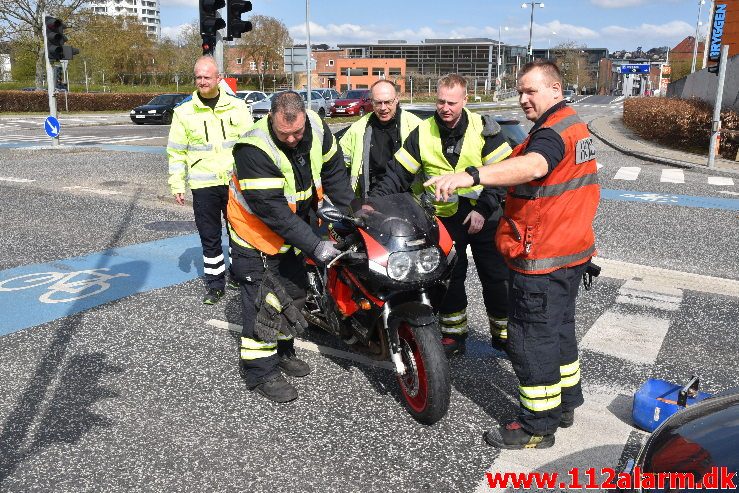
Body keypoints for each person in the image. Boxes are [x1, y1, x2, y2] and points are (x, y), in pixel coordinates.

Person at [424, 60, 600, 449]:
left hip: (544, 256)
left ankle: (537, 425)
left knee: (530, 339)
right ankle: (566, 403)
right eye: (520, 92)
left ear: (555, 90)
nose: (522, 99)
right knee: (559, 331)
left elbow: (534, 164)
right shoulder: (574, 126)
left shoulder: (552, 134)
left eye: (531, 91)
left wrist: (470, 176)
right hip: (571, 252)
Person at [370, 73, 513, 357]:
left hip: (485, 214)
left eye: (451, 102)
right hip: (446, 217)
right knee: (449, 276)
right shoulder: (423, 132)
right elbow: (396, 175)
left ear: (465, 100)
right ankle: (454, 334)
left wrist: (483, 210)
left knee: (496, 277)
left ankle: (504, 335)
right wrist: (371, 206)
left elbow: (504, 175)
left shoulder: (484, 129)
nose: (445, 108)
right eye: (440, 102)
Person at [228, 91, 354, 403]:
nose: (294, 139)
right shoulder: (253, 149)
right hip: (256, 236)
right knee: (263, 303)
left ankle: (283, 351)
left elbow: (335, 174)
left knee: (293, 293)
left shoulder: (316, 127)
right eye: (286, 134)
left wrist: (348, 217)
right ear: (271, 118)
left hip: (294, 232)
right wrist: (315, 245)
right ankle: (261, 372)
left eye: (298, 132)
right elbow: (274, 213)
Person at [167, 56, 253, 305]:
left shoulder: (237, 107)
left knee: (239, 231)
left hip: (233, 183)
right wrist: (177, 183)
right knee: (210, 236)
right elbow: (176, 152)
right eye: (198, 77)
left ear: (219, 78)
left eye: (207, 77)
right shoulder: (184, 112)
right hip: (203, 185)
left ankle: (238, 274)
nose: (202, 81)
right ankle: (215, 284)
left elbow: (250, 145)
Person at [339, 79, 421, 197]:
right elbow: (338, 162)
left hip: (407, 198)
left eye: (388, 102)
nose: (383, 108)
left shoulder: (415, 125)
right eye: (378, 103)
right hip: (369, 199)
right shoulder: (358, 128)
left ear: (396, 99)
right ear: (371, 102)